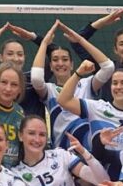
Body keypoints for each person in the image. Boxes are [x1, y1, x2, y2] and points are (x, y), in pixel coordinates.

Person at [29, 21, 115, 149]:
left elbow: (108, 67)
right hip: (62, 152)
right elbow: (36, 78)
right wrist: (44, 43)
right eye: (55, 60)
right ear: (51, 66)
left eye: (65, 59)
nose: (60, 63)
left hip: (88, 149)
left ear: (72, 64)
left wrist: (80, 40)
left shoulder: (86, 84)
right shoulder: (50, 90)